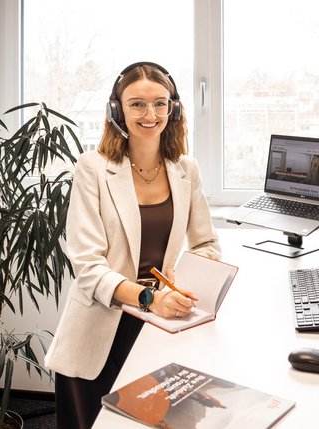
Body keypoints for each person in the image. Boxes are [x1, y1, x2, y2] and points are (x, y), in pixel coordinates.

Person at [44, 61, 221, 429]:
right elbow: (88, 267)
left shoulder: (186, 169)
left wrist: (183, 281)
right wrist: (147, 297)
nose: (150, 114)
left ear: (173, 109)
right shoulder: (92, 168)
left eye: (160, 103)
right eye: (137, 104)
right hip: (101, 329)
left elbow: (206, 244)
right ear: (117, 109)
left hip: (160, 326)